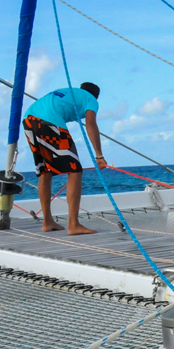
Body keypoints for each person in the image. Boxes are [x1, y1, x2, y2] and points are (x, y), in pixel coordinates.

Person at [22, 81, 107, 235]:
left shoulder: (70, 92)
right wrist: (99, 155)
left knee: (45, 171)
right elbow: (90, 123)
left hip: (29, 119)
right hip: (49, 121)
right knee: (75, 171)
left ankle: (48, 222)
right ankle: (73, 225)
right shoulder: (91, 99)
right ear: (97, 96)